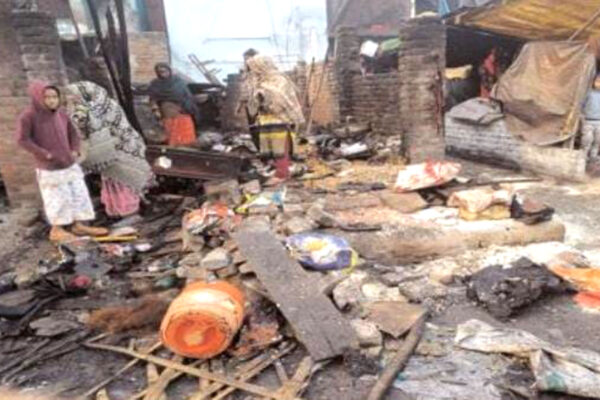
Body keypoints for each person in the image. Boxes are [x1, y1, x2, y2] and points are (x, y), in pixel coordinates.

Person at [16, 80, 108, 242]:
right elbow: (23, 140)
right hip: (49, 167)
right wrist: (44, 154)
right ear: (38, 97)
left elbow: (73, 132)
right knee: (56, 198)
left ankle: (78, 225)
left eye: (54, 97)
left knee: (77, 193)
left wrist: (75, 149)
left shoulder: (61, 114)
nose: (52, 100)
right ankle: (57, 230)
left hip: (68, 163)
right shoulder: (28, 116)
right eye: (47, 97)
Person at [63, 81, 154, 218]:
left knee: (124, 181)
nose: (72, 99)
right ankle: (118, 211)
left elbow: (101, 130)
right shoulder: (89, 108)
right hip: (111, 150)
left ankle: (130, 213)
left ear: (87, 94)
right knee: (114, 182)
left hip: (122, 148)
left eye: (75, 95)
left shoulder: (102, 107)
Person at [246, 55, 305, 180]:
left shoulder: (279, 80)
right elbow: (253, 106)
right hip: (265, 121)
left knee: (281, 149)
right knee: (271, 150)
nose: (253, 71)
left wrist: (265, 95)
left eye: (255, 68)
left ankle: (283, 174)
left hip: (280, 120)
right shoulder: (258, 82)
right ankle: (278, 172)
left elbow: (281, 100)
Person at [148, 62, 199, 146]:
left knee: (186, 140)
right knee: (172, 139)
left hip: (182, 112)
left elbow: (187, 96)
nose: (163, 74)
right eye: (160, 72)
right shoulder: (155, 84)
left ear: (169, 71)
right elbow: (152, 99)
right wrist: (156, 111)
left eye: (164, 71)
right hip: (167, 113)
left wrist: (186, 107)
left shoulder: (178, 82)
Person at [581, 75, 600, 161]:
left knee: (597, 140)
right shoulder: (589, 93)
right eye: (597, 81)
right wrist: (582, 116)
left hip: (599, 121)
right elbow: (582, 105)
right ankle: (583, 156)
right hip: (588, 121)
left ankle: (593, 157)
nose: (598, 84)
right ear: (593, 82)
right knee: (587, 140)